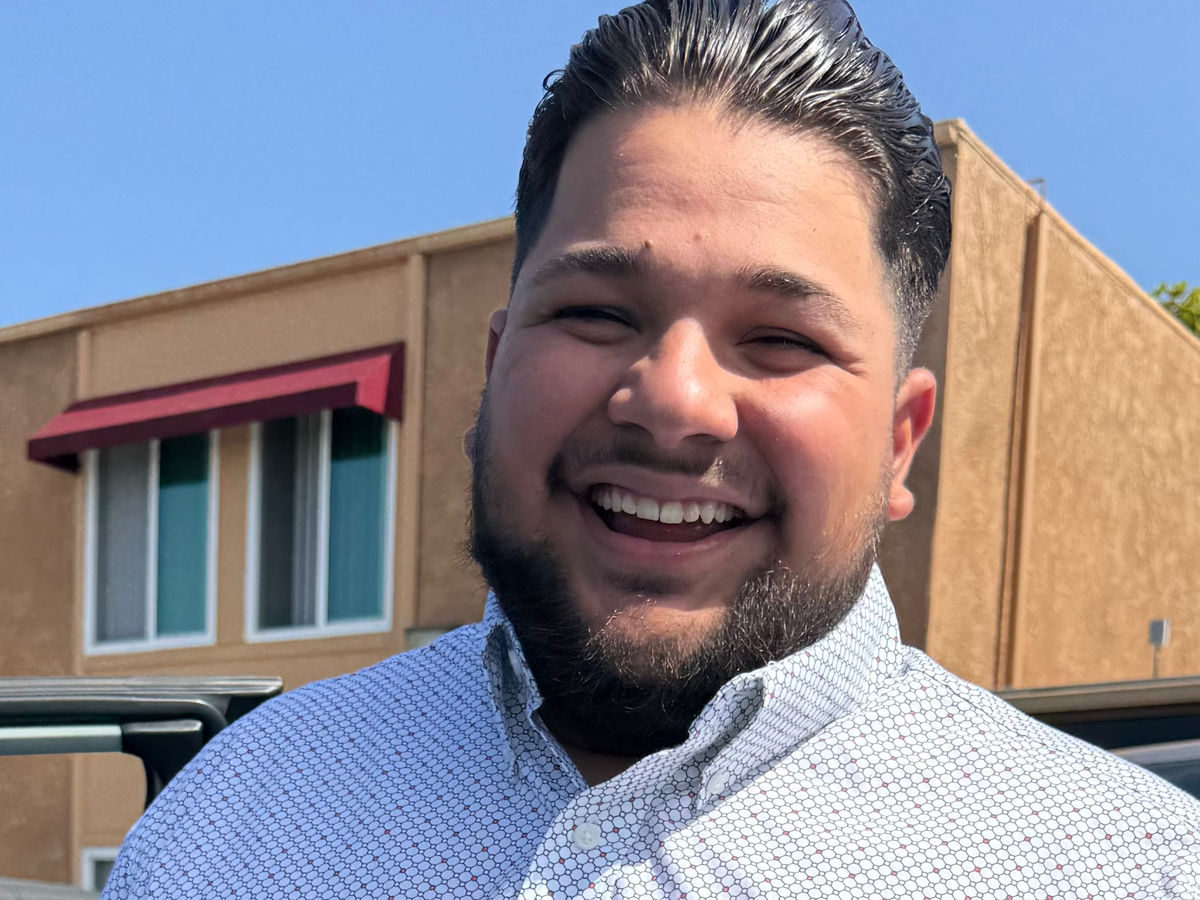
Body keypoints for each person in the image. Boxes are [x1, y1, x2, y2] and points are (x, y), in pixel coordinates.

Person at [104, 1, 1199, 897]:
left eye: (782, 339)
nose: (674, 402)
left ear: (900, 444)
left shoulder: (1122, 872)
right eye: (595, 313)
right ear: (494, 371)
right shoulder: (229, 822)